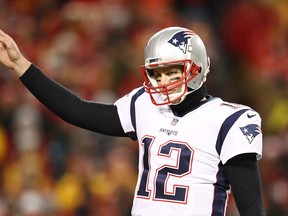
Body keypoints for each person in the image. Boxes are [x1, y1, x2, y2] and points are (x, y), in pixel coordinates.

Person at [0, 27, 266, 216]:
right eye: (156, 74)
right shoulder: (145, 104)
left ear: (196, 68)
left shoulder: (230, 119)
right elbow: (77, 111)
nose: (162, 82)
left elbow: (251, 207)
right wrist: (21, 66)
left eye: (171, 72)